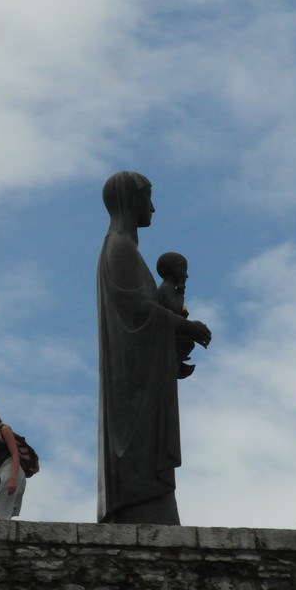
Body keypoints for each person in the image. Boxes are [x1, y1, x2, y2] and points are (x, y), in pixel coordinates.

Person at [97, 172, 211, 525]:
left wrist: (171, 349)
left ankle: (151, 507)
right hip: (133, 382)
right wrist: (188, 326)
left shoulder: (123, 248)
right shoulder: (120, 248)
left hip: (141, 370)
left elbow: (145, 316)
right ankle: (143, 506)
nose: (153, 208)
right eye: (148, 198)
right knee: (140, 452)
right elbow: (141, 312)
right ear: (132, 200)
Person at [156, 251, 197, 379]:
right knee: (187, 342)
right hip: (166, 333)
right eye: (184, 270)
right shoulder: (166, 288)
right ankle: (173, 364)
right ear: (174, 269)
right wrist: (180, 294)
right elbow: (174, 309)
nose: (187, 275)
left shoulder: (167, 289)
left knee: (186, 342)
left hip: (170, 330)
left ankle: (175, 362)